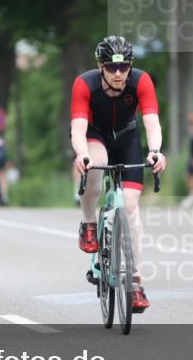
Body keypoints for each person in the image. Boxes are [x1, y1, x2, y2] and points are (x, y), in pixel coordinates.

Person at [71, 35, 166, 313]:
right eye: (111, 67)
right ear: (100, 67)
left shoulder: (141, 81)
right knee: (96, 164)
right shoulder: (85, 83)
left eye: (123, 67)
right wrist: (82, 155)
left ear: (130, 66)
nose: (118, 73)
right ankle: (89, 222)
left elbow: (152, 123)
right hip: (95, 135)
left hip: (127, 138)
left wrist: (156, 151)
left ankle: (135, 281)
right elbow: (77, 128)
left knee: (132, 208)